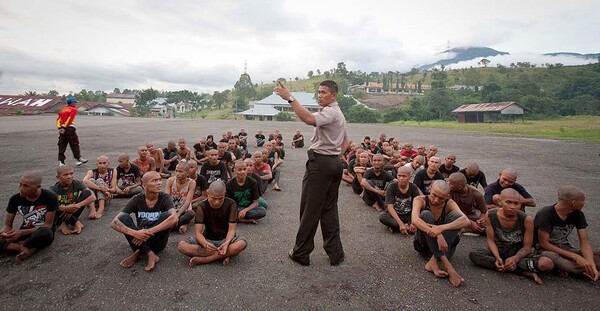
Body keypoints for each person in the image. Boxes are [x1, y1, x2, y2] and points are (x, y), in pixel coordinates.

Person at [275, 80, 347, 266]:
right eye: (318, 91)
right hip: (332, 163)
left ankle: (301, 252)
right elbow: (346, 141)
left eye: (323, 92)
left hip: (321, 164)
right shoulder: (337, 113)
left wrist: (290, 98)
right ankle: (335, 254)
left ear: (334, 95)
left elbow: (308, 119)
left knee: (310, 209)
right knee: (329, 209)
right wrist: (336, 158)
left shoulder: (331, 112)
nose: (319, 95)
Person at [469, 189, 554, 285]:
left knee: (546, 264)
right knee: (474, 255)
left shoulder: (526, 219)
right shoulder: (491, 215)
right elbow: (490, 240)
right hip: (500, 251)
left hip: (519, 253)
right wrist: (497, 257)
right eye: (508, 202)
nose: (512, 207)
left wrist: (515, 258)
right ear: (500, 202)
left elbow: (527, 247)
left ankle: (508, 266)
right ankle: (522, 271)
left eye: (516, 203)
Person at [110, 171, 178, 272]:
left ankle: (138, 253)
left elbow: (174, 218)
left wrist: (149, 232)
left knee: (167, 216)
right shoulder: (137, 199)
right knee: (123, 218)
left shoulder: (165, 197)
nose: (159, 183)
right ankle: (150, 254)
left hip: (158, 243)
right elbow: (114, 222)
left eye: (159, 180)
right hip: (137, 240)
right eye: (154, 181)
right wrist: (135, 233)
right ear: (144, 186)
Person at [412, 180, 470, 287]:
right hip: (425, 246)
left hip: (446, 247)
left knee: (456, 217)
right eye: (434, 195)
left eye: (442, 198)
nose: (436, 200)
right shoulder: (420, 200)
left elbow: (466, 221)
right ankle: (448, 266)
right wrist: (438, 235)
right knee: (425, 214)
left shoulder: (449, 203)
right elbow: (415, 220)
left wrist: (441, 228)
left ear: (447, 196)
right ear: (430, 189)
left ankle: (433, 261)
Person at [534, 185, 600, 281]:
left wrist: (591, 264)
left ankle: (589, 271)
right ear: (574, 202)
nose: (584, 203)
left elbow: (584, 243)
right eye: (583, 200)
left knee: (595, 257)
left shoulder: (578, 214)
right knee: (567, 265)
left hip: (565, 248)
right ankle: (578, 270)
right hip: (545, 250)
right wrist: (575, 256)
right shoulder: (545, 214)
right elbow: (544, 244)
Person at [177, 180, 247, 267]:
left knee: (242, 243)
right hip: (208, 240)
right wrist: (205, 243)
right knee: (182, 246)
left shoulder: (231, 204)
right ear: (208, 193)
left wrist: (226, 243)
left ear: (225, 194)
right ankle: (224, 255)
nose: (217, 202)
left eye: (220, 198)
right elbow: (198, 233)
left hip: (226, 240)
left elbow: (232, 230)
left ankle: (206, 259)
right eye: (214, 198)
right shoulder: (202, 206)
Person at [0, 171, 57, 261]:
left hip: (40, 232)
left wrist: (21, 233)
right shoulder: (15, 199)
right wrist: (3, 233)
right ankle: (23, 248)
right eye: (20, 185)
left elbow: (47, 225)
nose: (21, 189)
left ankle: (13, 247)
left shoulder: (50, 197)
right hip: (24, 231)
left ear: (38, 187)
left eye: (26, 186)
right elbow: (7, 225)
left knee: (46, 233)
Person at [50, 165, 96, 235]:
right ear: (58, 177)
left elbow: (93, 197)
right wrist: (66, 208)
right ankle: (76, 222)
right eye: (65, 175)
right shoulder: (53, 189)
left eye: (71, 173)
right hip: (59, 216)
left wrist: (77, 205)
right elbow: (48, 206)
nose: (69, 176)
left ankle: (65, 223)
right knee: (54, 204)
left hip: (73, 211)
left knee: (87, 193)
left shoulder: (77, 183)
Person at [379, 167, 422, 234]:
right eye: (399, 176)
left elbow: (416, 207)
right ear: (397, 175)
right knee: (382, 216)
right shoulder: (391, 187)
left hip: (409, 215)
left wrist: (413, 222)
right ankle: (404, 227)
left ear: (409, 177)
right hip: (395, 215)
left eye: (404, 176)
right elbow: (390, 207)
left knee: (423, 214)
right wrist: (401, 224)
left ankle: (395, 227)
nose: (401, 178)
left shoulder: (413, 188)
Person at [165, 162, 196, 234]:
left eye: (180, 171)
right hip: (171, 210)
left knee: (191, 213)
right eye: (176, 171)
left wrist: (177, 215)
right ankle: (182, 224)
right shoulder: (170, 180)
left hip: (183, 210)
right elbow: (166, 199)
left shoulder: (191, 183)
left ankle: (168, 227)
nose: (177, 173)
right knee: (162, 214)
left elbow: (188, 202)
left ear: (187, 173)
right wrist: (172, 214)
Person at [83, 155, 117, 219]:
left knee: (99, 180)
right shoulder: (91, 172)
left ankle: (101, 208)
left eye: (104, 163)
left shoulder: (113, 171)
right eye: (100, 163)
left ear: (108, 163)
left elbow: (114, 189)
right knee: (91, 180)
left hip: (106, 196)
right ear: (97, 164)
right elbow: (84, 181)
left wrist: (106, 189)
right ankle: (92, 208)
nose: (102, 165)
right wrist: (101, 189)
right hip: (92, 199)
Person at [57, 96, 88, 166]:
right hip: (70, 128)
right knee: (74, 143)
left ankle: (61, 162)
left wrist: (60, 128)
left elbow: (58, 120)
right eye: (74, 102)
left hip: (62, 129)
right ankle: (78, 158)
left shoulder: (62, 110)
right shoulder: (73, 110)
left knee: (62, 145)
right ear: (71, 103)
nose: (75, 104)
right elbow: (70, 119)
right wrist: (65, 127)